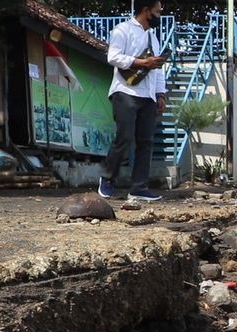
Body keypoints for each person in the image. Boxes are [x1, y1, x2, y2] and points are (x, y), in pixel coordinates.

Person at [98, 0, 167, 201]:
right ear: (146, 11)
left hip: (148, 96)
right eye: (157, 12)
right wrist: (142, 62)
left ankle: (138, 187)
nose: (159, 16)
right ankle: (107, 179)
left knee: (145, 142)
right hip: (125, 91)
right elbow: (113, 57)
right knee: (124, 137)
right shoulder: (123, 30)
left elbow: (158, 69)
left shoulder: (153, 38)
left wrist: (161, 94)